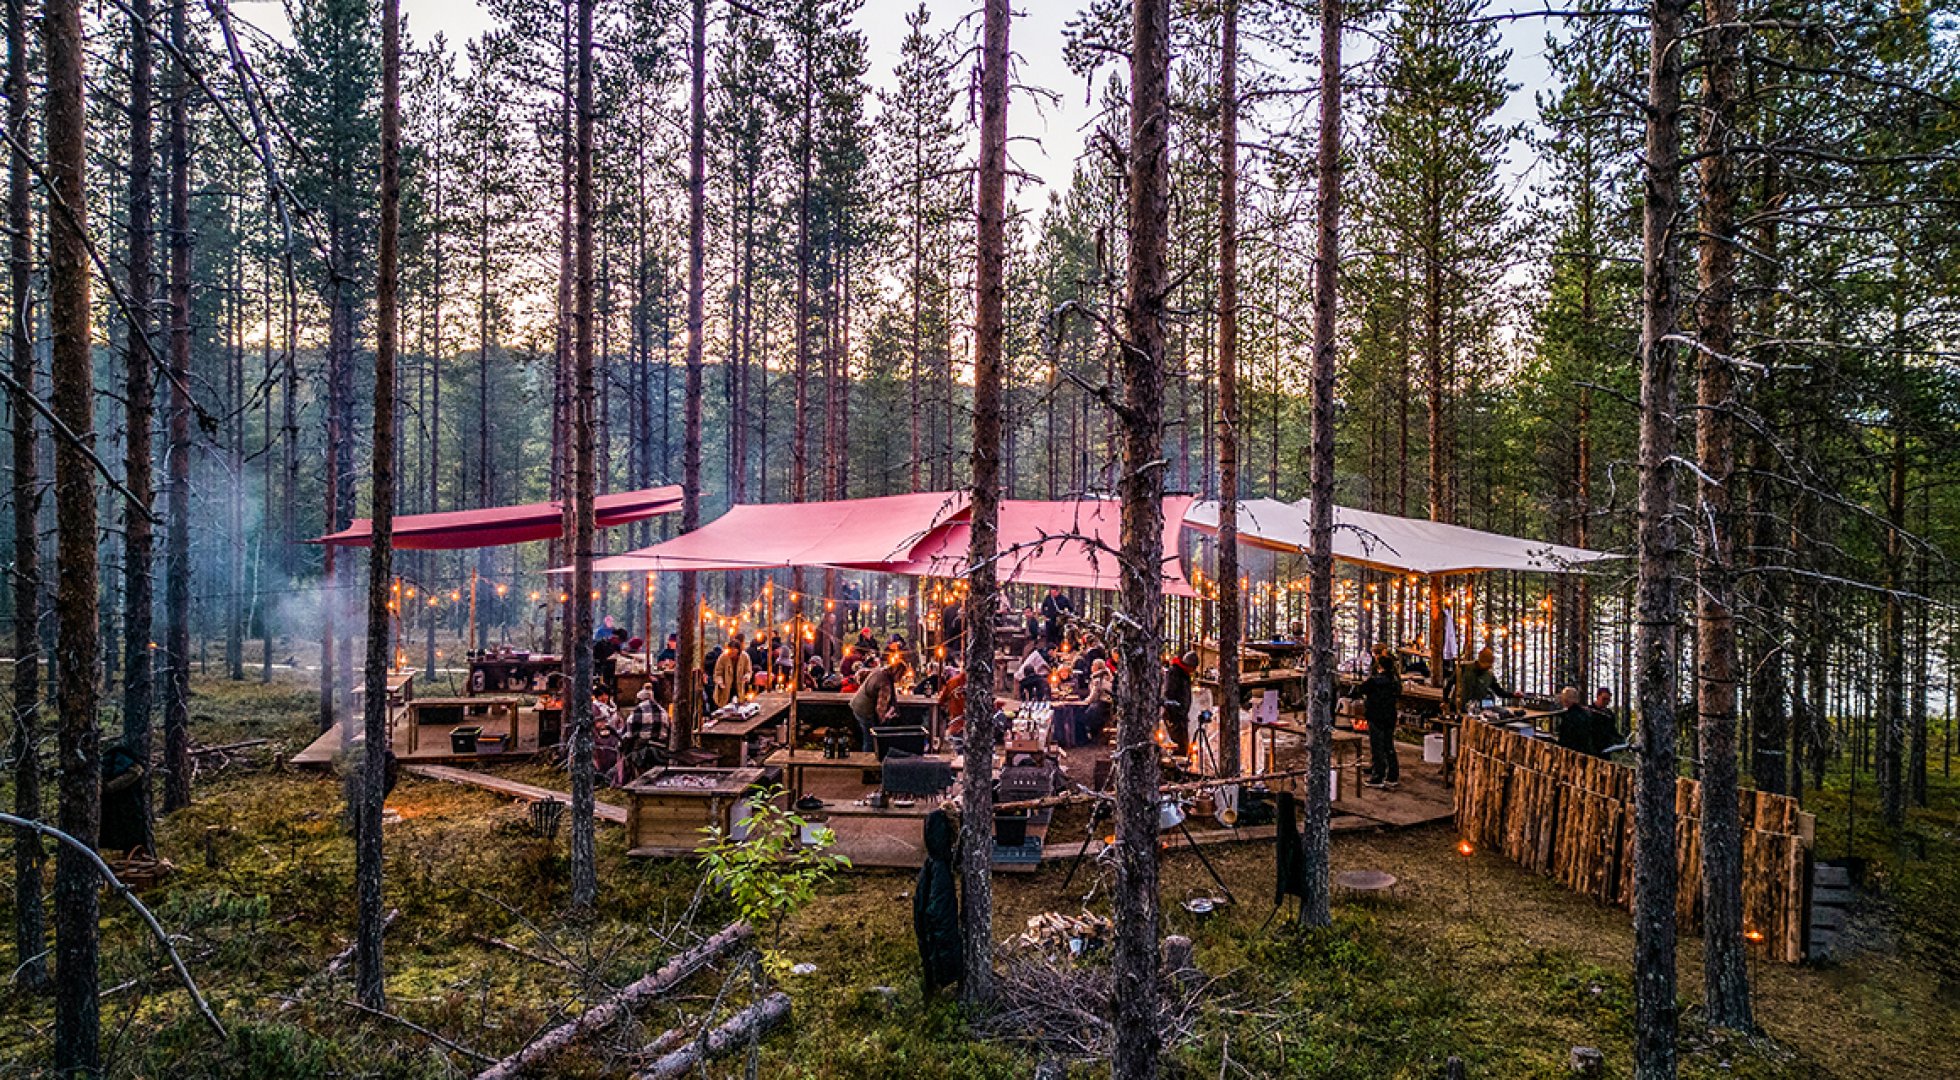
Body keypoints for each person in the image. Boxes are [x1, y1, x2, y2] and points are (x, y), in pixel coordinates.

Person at [1346, 653, 1403, 788]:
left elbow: (1360, 689)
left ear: (1380, 667)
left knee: (1377, 746)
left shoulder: (1374, 681)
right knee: (1389, 745)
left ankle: (1378, 776)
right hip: (1390, 715)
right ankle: (1392, 775)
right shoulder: (1395, 682)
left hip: (1376, 715)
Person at [851, 657, 907, 752]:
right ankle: (868, 760)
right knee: (870, 739)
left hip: (856, 703)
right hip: (865, 709)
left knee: (868, 736)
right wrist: (884, 722)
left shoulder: (880, 671)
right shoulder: (885, 683)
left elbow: (861, 673)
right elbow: (880, 708)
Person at [1452, 645, 1515, 713]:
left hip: (1477, 709)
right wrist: (1446, 701)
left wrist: (1513, 695)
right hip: (1459, 708)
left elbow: (1499, 691)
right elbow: (1450, 683)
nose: (1488, 667)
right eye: (1486, 665)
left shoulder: (1489, 676)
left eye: (1489, 665)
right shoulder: (1464, 668)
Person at [1163, 650, 1197, 755]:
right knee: (1179, 744)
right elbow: (1169, 693)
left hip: (1181, 715)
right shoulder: (1174, 673)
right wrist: (1175, 711)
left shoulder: (1183, 675)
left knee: (1184, 745)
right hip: (1175, 716)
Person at [712, 633, 753, 708]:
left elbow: (748, 670)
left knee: (739, 706)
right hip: (725, 688)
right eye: (731, 651)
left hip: (739, 686)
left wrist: (747, 677)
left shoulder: (745, 656)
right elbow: (718, 673)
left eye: (734, 652)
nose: (732, 654)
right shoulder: (723, 657)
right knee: (724, 707)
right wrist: (720, 682)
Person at [939, 664, 968, 737]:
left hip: (955, 722)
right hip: (973, 724)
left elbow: (941, 700)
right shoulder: (978, 684)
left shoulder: (952, 682)